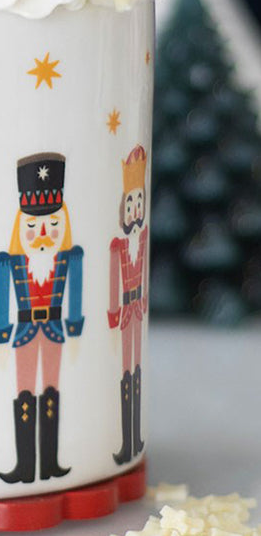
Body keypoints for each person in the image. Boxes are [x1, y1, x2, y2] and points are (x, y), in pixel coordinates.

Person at [0, 152, 84, 484]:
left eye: (53, 226)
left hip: (54, 327)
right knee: (25, 391)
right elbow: (0, 296)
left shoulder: (67, 260)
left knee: (52, 390)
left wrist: (75, 323)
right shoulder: (10, 262)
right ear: (20, 227)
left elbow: (77, 292)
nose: (43, 234)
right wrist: (0, 331)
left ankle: (52, 462)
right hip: (26, 329)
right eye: (33, 227)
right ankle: (25, 465)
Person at [108, 144, 149, 464]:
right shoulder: (118, 245)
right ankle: (126, 440)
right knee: (125, 369)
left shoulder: (142, 238)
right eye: (130, 201)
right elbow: (113, 279)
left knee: (135, 368)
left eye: (139, 200)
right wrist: (112, 311)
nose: (135, 208)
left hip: (137, 309)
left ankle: (132, 436)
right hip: (124, 312)